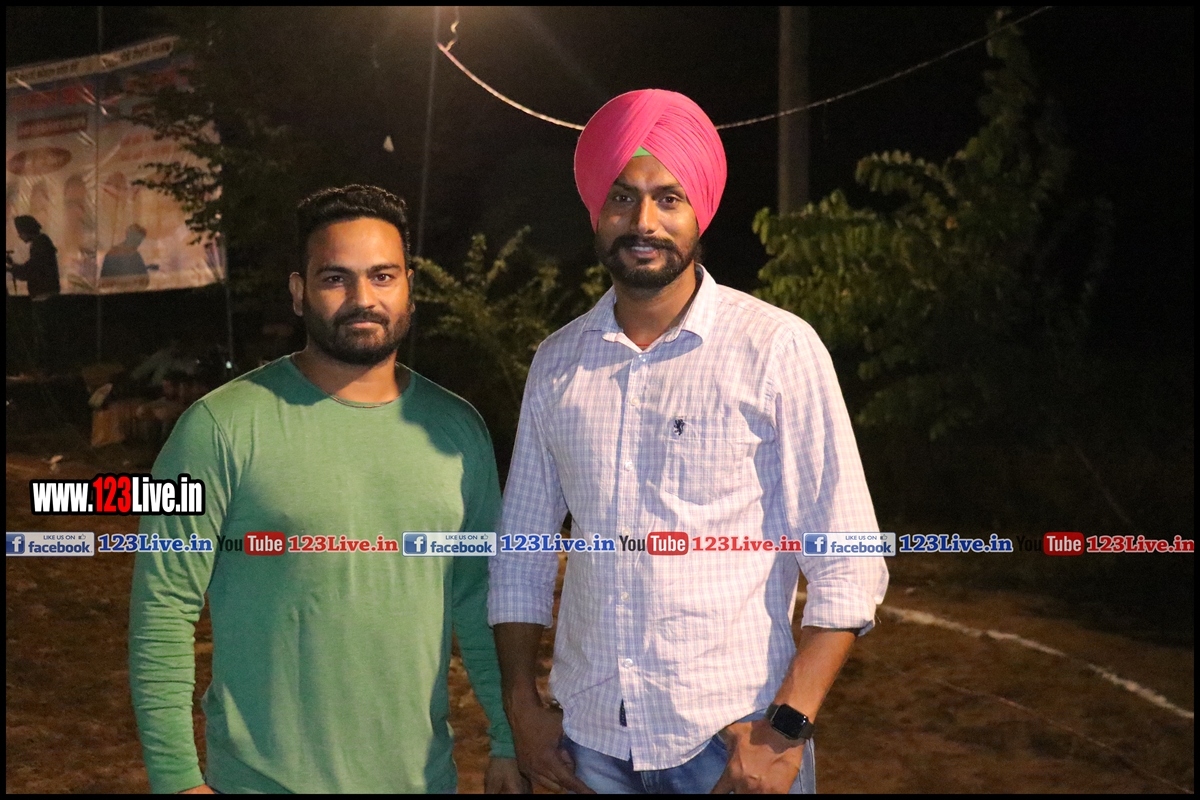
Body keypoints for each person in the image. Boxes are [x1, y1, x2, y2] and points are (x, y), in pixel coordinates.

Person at [489, 90, 889, 794]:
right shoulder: (557, 364)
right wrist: (521, 707)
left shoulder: (775, 349)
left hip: (732, 747)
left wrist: (785, 731)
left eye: (668, 198)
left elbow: (849, 562)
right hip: (589, 749)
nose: (643, 222)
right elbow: (521, 554)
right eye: (622, 197)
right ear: (596, 211)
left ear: (700, 211)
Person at [129, 185, 527, 793]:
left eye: (383, 276)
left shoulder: (457, 431)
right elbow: (163, 606)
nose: (363, 299)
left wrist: (507, 738)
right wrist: (177, 779)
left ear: (410, 287)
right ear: (299, 292)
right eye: (336, 278)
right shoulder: (217, 428)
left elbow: (479, 600)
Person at [7, 214, 60, 300]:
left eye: (20, 232)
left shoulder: (40, 244)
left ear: (27, 230)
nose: (19, 236)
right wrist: (12, 265)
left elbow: (31, 270)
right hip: (46, 293)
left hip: (44, 294)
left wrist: (12, 269)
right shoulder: (41, 242)